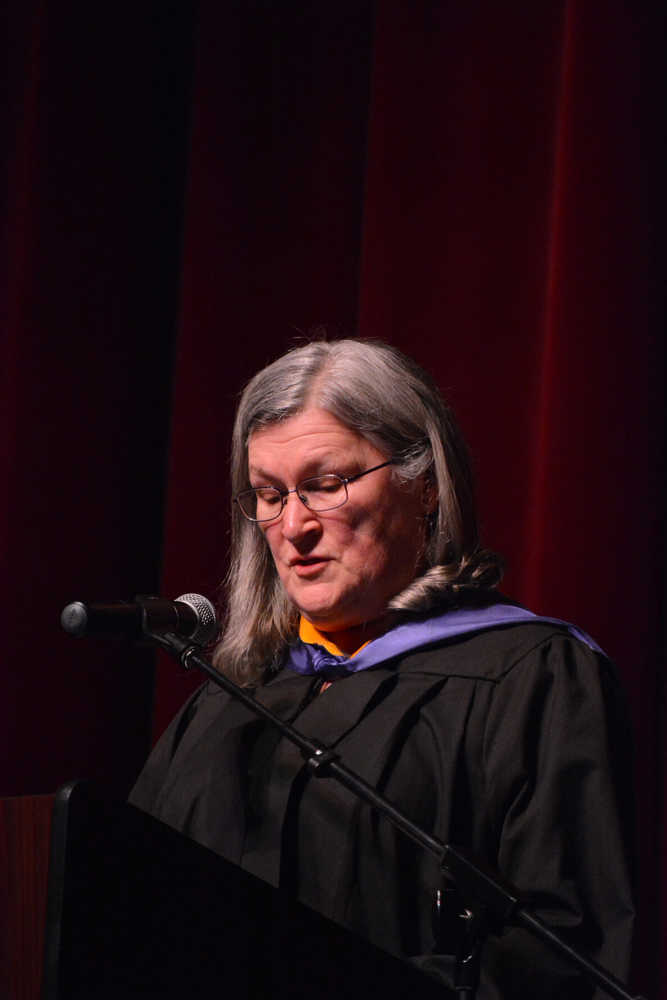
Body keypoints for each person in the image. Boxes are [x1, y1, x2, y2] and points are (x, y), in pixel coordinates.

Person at [130, 339, 635, 998]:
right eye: (268, 494)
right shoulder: (230, 698)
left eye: (324, 484)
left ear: (424, 488)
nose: (293, 526)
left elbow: (562, 958)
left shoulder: (529, 680)